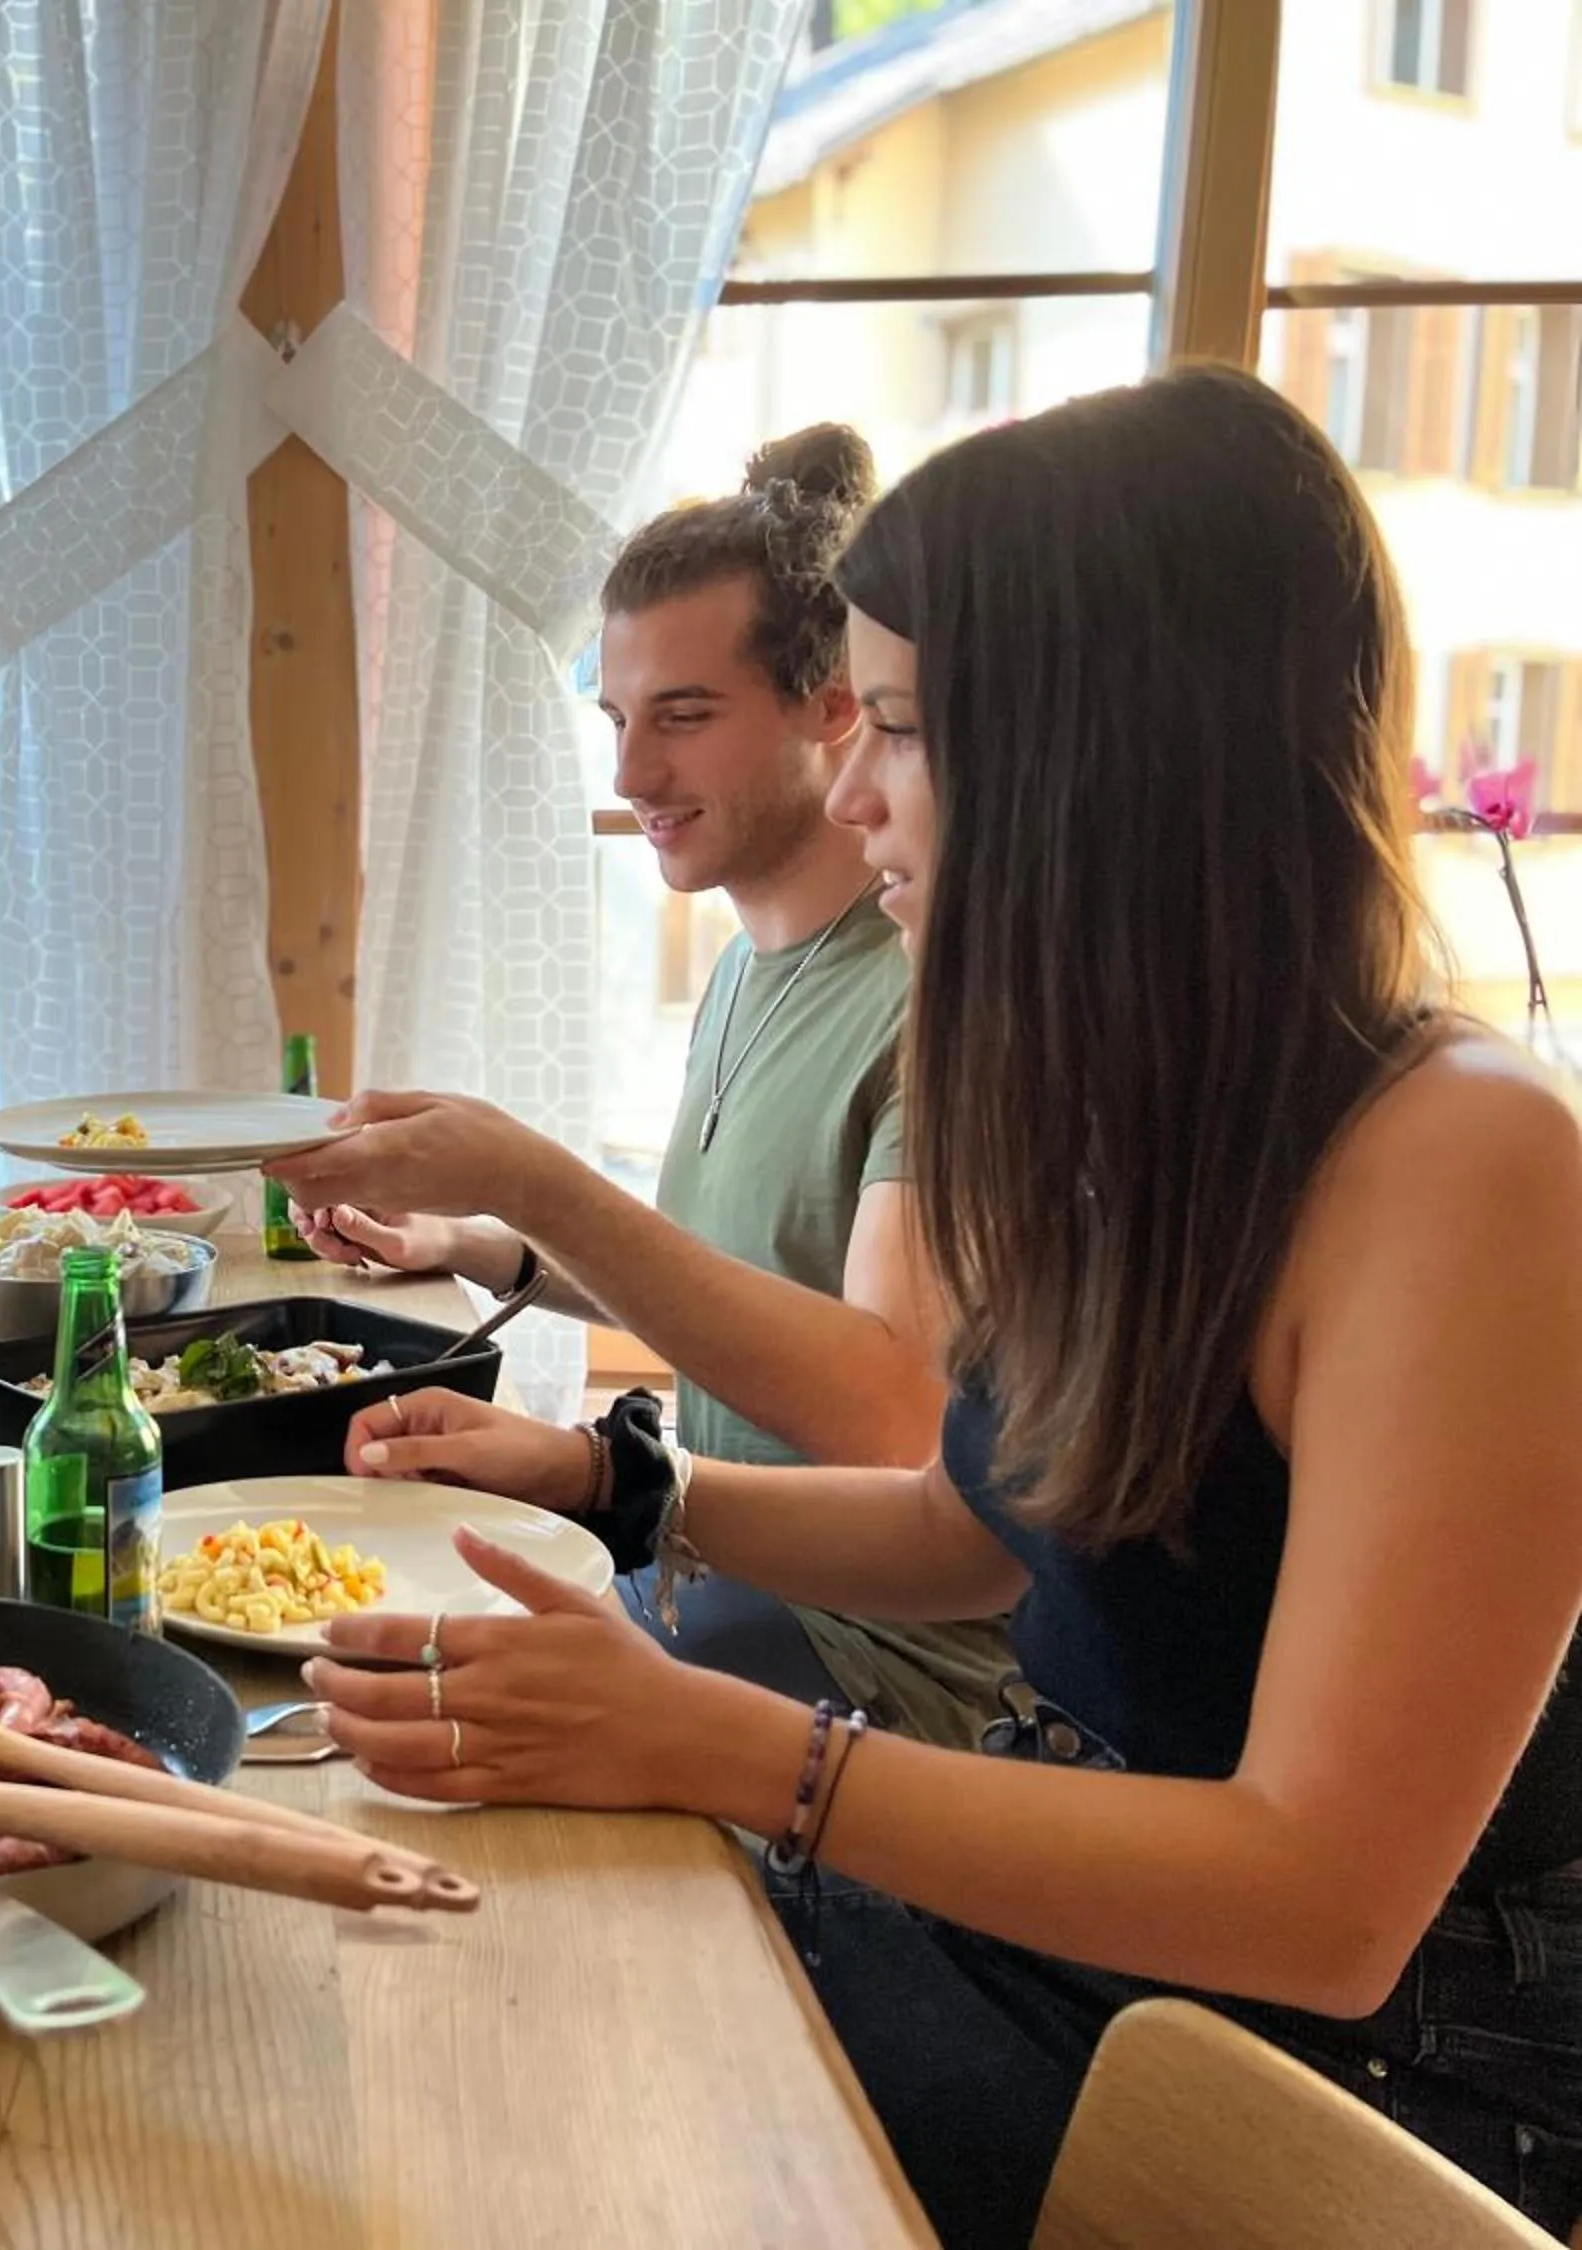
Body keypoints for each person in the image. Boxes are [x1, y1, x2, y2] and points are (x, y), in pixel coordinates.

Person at [303, 365, 1582, 2245]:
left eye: (894, 726)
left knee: (534, 2132)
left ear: (1104, 750)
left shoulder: (1470, 1164)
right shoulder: (1128, 1104)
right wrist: (601, 1487)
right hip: (1054, 1938)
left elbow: (1324, 1897)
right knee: (439, 2016)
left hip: (1334, 2093)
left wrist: (731, 1745)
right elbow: (980, 1536)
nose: (844, 784)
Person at [267, 427, 1011, 1750]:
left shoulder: (937, 1000)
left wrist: (532, 1180)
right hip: (720, 1591)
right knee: (324, 1648)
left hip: (876, 1674)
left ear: (833, 703)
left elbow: (894, 1408)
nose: (630, 776)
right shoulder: (745, 970)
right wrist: (477, 1242)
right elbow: (729, 1277)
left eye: (683, 716)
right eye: (617, 721)